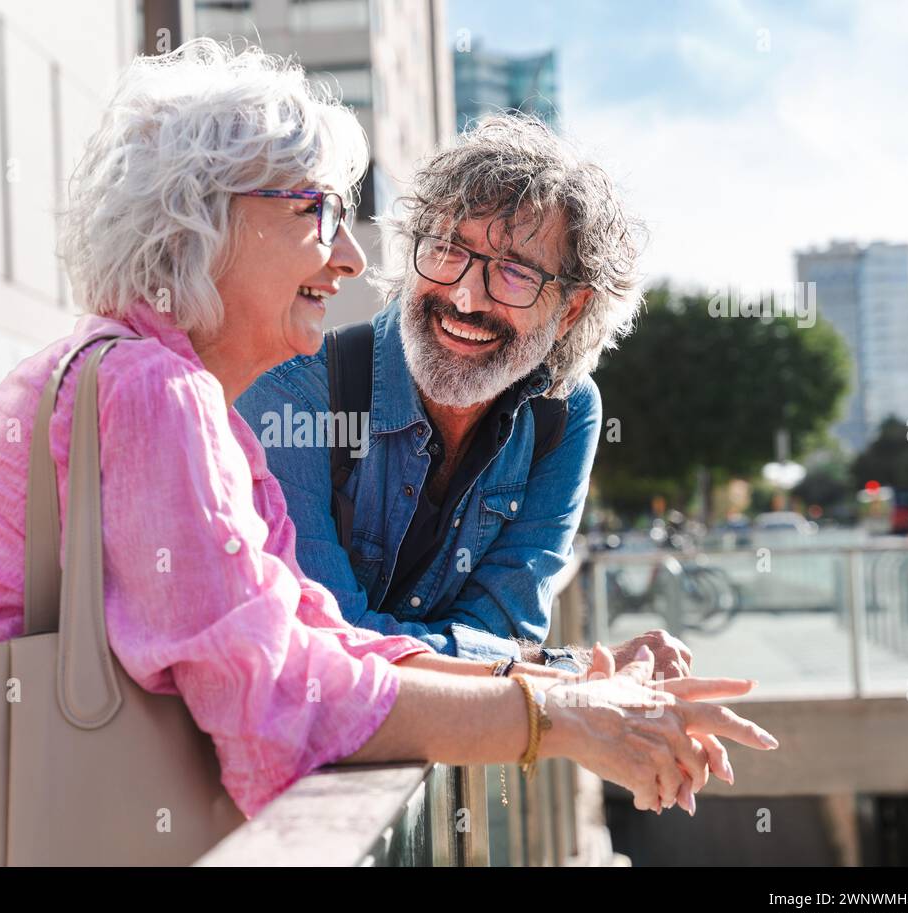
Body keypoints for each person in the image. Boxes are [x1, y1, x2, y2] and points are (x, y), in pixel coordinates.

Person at [0, 40, 774, 866]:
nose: (357, 259)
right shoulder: (154, 390)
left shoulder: (157, 384)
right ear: (202, 220)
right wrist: (554, 717)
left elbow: (310, 633)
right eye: (318, 214)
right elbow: (282, 701)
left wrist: (564, 683)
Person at [237, 113, 695, 677]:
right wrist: (567, 667)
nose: (466, 297)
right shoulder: (293, 388)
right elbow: (322, 644)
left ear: (571, 308)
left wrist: (508, 658)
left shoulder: (565, 413)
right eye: (448, 248)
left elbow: (506, 628)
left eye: (515, 273)